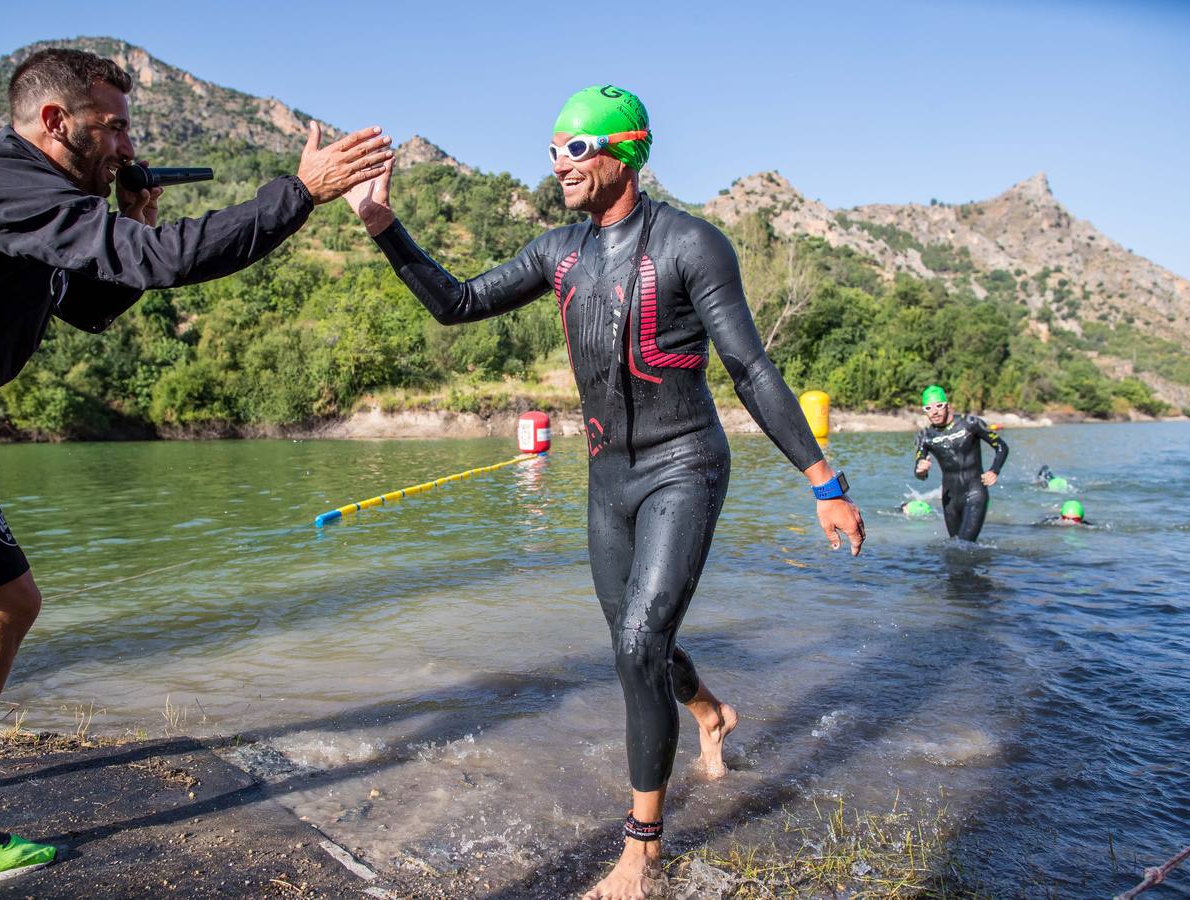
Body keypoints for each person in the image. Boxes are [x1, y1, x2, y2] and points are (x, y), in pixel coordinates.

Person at [0, 48, 391, 890]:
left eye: (127, 127)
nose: (124, 144)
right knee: (5, 599)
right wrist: (298, 193)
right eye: (111, 126)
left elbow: (87, 302)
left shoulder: (32, 205)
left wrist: (135, 224)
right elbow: (160, 265)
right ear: (55, 122)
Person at [344, 85, 865, 900]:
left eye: (576, 149)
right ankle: (709, 712)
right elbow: (458, 303)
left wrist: (822, 479)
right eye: (553, 149)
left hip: (684, 464)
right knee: (638, 643)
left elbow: (752, 369)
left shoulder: (692, 245)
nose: (560, 164)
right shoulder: (560, 252)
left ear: (625, 151)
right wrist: (383, 226)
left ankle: (642, 851)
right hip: (606, 477)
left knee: (636, 646)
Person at [912, 385, 1008, 542]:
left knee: (964, 545)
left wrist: (994, 470)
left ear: (948, 405)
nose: (934, 412)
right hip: (950, 499)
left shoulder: (971, 423)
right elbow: (919, 471)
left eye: (939, 406)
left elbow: (1001, 446)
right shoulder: (924, 437)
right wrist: (921, 470)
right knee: (955, 548)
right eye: (928, 408)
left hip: (975, 492)